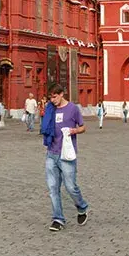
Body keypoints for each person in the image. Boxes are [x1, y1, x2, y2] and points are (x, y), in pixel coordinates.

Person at [40, 85, 89, 232]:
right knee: (53, 188)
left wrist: (73, 130)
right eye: (51, 97)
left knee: (71, 187)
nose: (52, 100)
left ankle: (82, 207)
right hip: (51, 153)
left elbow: (83, 127)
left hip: (66, 154)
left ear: (62, 94)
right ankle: (58, 219)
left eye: (55, 97)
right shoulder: (50, 108)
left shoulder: (72, 108)